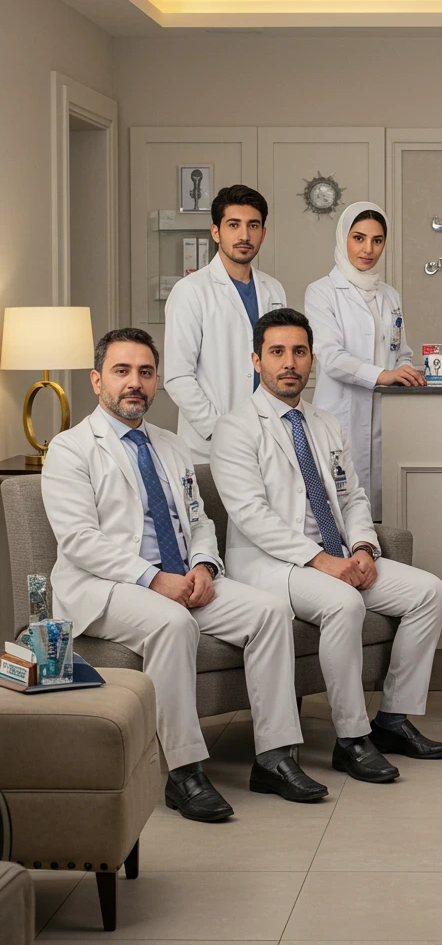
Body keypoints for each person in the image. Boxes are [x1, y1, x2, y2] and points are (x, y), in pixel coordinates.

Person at [41, 328, 326, 822]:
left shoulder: (171, 446)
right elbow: (80, 541)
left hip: (182, 576)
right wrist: (153, 579)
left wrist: (203, 566)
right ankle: (183, 771)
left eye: (145, 372)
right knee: (173, 624)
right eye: (122, 371)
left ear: (157, 382)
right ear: (97, 380)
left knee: (269, 612)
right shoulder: (69, 449)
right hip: (106, 586)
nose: (135, 382)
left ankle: (274, 757)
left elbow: (198, 521)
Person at [210, 308, 442, 784]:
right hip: (271, 564)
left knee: (430, 593)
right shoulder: (235, 428)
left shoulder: (325, 423)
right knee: (343, 603)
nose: (289, 363)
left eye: (299, 352)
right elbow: (251, 515)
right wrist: (321, 561)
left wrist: (361, 548)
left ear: (312, 359)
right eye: (277, 352)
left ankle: (393, 719)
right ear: (256, 360)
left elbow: (351, 495)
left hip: (336, 555)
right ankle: (351, 739)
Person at [305, 202, 425, 522]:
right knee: (339, 510)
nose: (368, 249)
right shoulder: (322, 292)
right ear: (343, 238)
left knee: (384, 512)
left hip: (386, 420)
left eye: (377, 240)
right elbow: (331, 357)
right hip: (339, 416)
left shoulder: (389, 295)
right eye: (358, 238)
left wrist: (407, 371)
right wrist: (384, 375)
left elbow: (401, 351)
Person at [164, 184, 287, 462]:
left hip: (268, 437)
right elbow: (178, 377)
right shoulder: (190, 291)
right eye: (234, 225)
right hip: (211, 444)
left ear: (263, 234)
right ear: (216, 232)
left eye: (253, 225)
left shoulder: (273, 290)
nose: (244, 235)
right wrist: (219, 429)